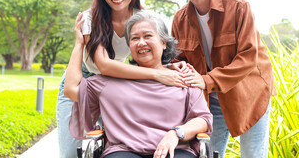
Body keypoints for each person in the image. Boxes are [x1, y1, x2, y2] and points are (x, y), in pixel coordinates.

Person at [56, 0, 187, 158]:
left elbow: (149, 54)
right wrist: (156, 74)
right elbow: (103, 65)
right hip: (82, 79)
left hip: (113, 82)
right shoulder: (91, 18)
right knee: (70, 153)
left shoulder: (142, 18)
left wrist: (169, 66)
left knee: (114, 147)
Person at [166, 0, 277, 157]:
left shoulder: (238, 6)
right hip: (209, 98)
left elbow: (248, 57)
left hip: (249, 93)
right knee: (208, 153)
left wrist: (206, 79)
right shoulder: (179, 19)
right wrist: (176, 65)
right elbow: (178, 57)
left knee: (253, 154)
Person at [64, 10, 213, 158]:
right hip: (123, 151)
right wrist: (79, 43)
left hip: (175, 149)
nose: (141, 43)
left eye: (148, 36)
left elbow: (203, 119)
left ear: (163, 43)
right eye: (134, 38)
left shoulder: (183, 79)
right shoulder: (110, 82)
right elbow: (71, 89)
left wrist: (176, 133)